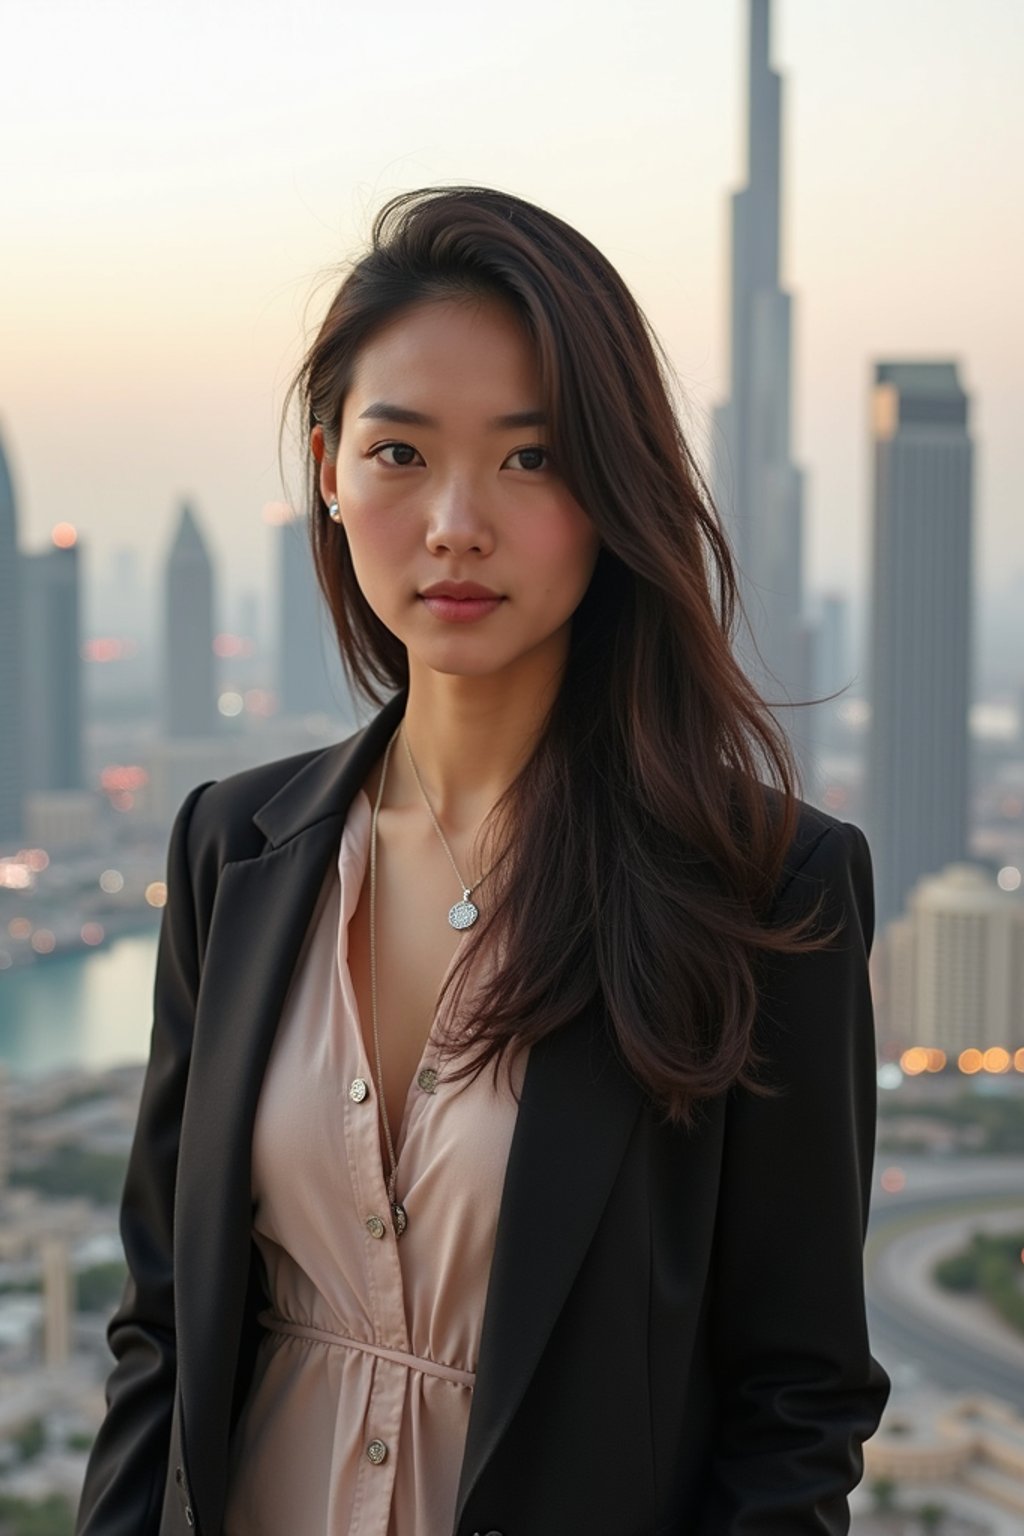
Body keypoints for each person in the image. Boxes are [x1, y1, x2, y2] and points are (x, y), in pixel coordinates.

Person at [75, 185, 889, 1536]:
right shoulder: (235, 849)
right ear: (330, 472)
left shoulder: (765, 887)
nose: (457, 521)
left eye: (531, 458)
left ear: (614, 488)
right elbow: (162, 1331)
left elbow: (797, 1405)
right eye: (401, 455)